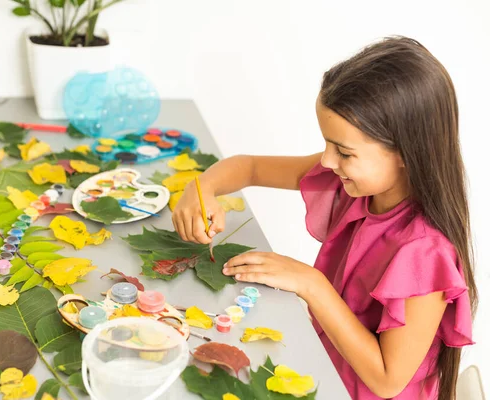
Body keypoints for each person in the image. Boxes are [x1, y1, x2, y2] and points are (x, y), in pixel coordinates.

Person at [172, 36, 476, 400]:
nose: (328, 162)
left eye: (344, 152)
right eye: (328, 144)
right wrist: (201, 188)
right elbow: (249, 167)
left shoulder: (425, 253)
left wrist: (312, 284)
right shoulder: (355, 183)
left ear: (406, 153)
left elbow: (387, 380)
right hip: (323, 367)